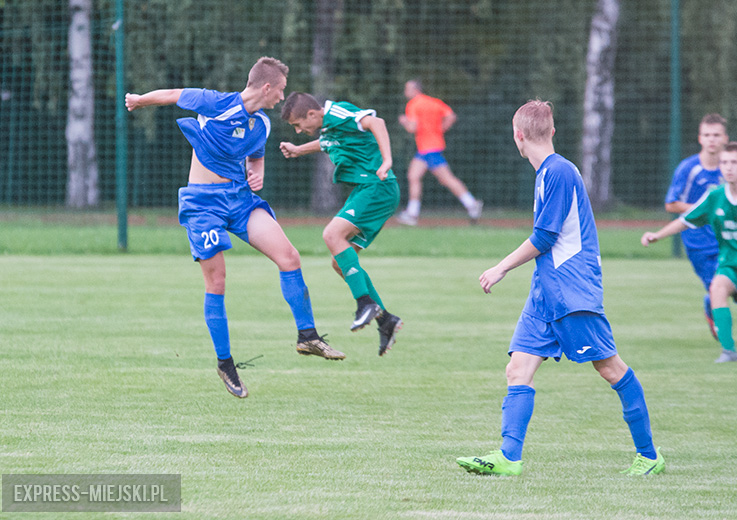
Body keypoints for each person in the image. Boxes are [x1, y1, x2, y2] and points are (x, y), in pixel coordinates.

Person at [456, 100, 664, 477]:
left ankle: (649, 456)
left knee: (610, 368)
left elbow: (545, 236)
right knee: (517, 368)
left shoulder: (559, 171)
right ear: (551, 131)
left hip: (571, 290)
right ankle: (508, 457)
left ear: (518, 136)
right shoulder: (548, 173)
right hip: (546, 291)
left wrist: (501, 267)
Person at [125, 57, 344, 400]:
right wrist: (139, 100)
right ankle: (225, 363)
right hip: (203, 203)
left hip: (240, 199)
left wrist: (259, 173)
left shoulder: (262, 124)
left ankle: (308, 336)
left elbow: (255, 156)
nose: (282, 98)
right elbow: (173, 93)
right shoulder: (216, 103)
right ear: (267, 86)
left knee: (289, 256)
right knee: (218, 280)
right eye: (281, 90)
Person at [279, 92, 403, 356]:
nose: (300, 131)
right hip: (367, 189)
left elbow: (376, 123)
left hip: (377, 186)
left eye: (299, 125)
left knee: (332, 234)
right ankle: (386, 321)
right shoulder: (330, 126)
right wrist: (298, 150)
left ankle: (365, 303)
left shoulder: (337, 113)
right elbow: (326, 143)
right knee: (340, 262)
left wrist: (388, 160)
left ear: (312, 114)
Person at [642, 141, 737, 363]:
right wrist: (658, 235)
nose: (728, 167)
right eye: (724, 163)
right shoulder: (715, 196)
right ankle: (729, 351)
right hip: (732, 259)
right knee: (717, 288)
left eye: (734, 162)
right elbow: (686, 221)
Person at [665, 114, 737, 350]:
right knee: (718, 289)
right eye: (707, 135)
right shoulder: (689, 169)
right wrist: (707, 210)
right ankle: (711, 309)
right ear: (700, 138)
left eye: (717, 135)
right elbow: (671, 204)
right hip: (699, 243)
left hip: (730, 238)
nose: (712, 140)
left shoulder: (731, 167)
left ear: (725, 138)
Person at [396, 79, 483, 226]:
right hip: (430, 147)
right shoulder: (433, 102)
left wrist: (404, 122)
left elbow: (412, 128)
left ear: (415, 90)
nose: (405, 92)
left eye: (407, 88)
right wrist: (441, 129)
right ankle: (412, 213)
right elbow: (451, 116)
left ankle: (471, 204)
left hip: (428, 148)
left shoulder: (413, 105)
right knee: (414, 175)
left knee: (446, 179)